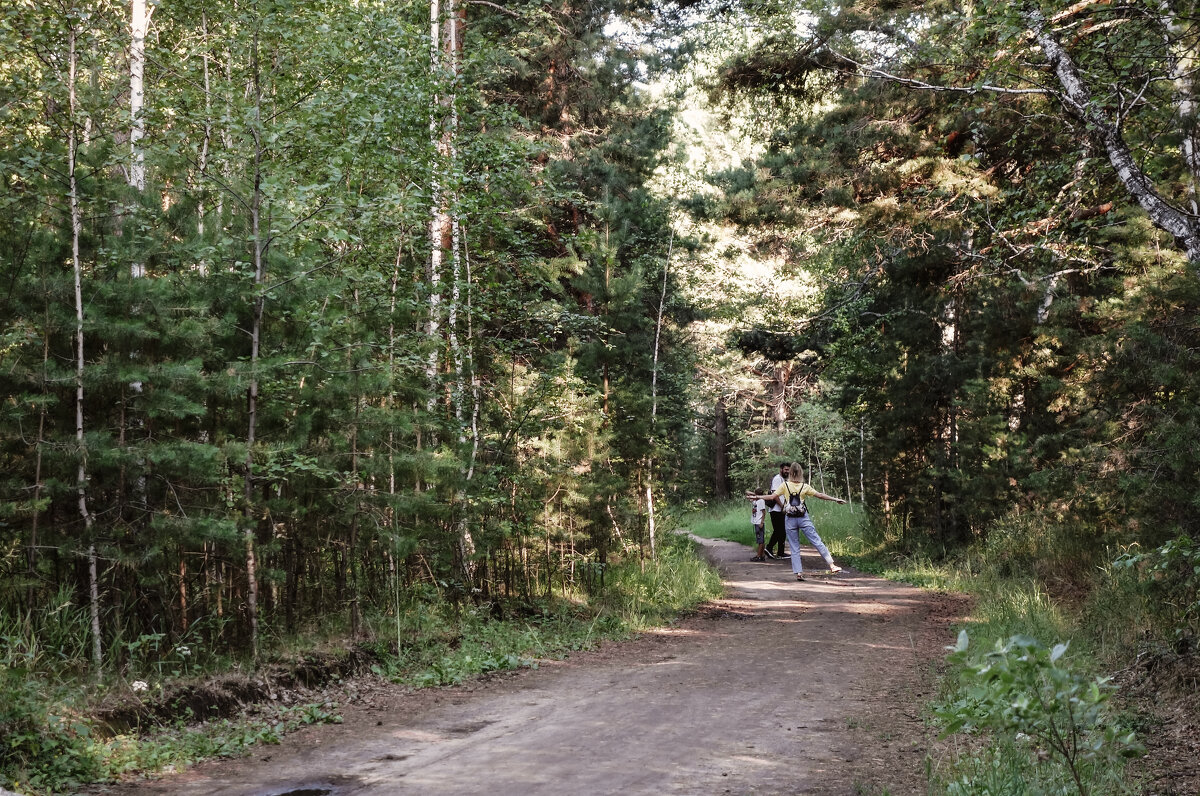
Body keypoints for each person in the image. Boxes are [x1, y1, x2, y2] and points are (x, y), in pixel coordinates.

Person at [745, 462, 845, 581]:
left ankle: (798, 573)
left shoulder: (785, 485)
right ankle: (832, 565)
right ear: (801, 473)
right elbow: (820, 495)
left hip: (790, 519)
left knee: (794, 546)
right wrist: (835, 499)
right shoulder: (805, 486)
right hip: (803, 518)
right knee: (817, 541)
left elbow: (771, 497)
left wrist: (757, 497)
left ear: (790, 473)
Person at [765, 462, 789, 559]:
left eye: (788, 470)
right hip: (776, 510)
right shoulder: (777, 479)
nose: (787, 471)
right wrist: (782, 506)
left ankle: (781, 552)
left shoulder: (784, 480)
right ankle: (769, 548)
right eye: (786, 469)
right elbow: (775, 495)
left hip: (781, 510)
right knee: (779, 530)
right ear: (781, 469)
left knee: (782, 531)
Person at [750, 492, 768, 561]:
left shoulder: (761, 501)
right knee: (760, 539)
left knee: (761, 540)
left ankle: (758, 556)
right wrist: (755, 494)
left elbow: (764, 512)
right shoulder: (755, 501)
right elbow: (747, 493)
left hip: (759, 522)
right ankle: (762, 555)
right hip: (755, 522)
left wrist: (762, 522)